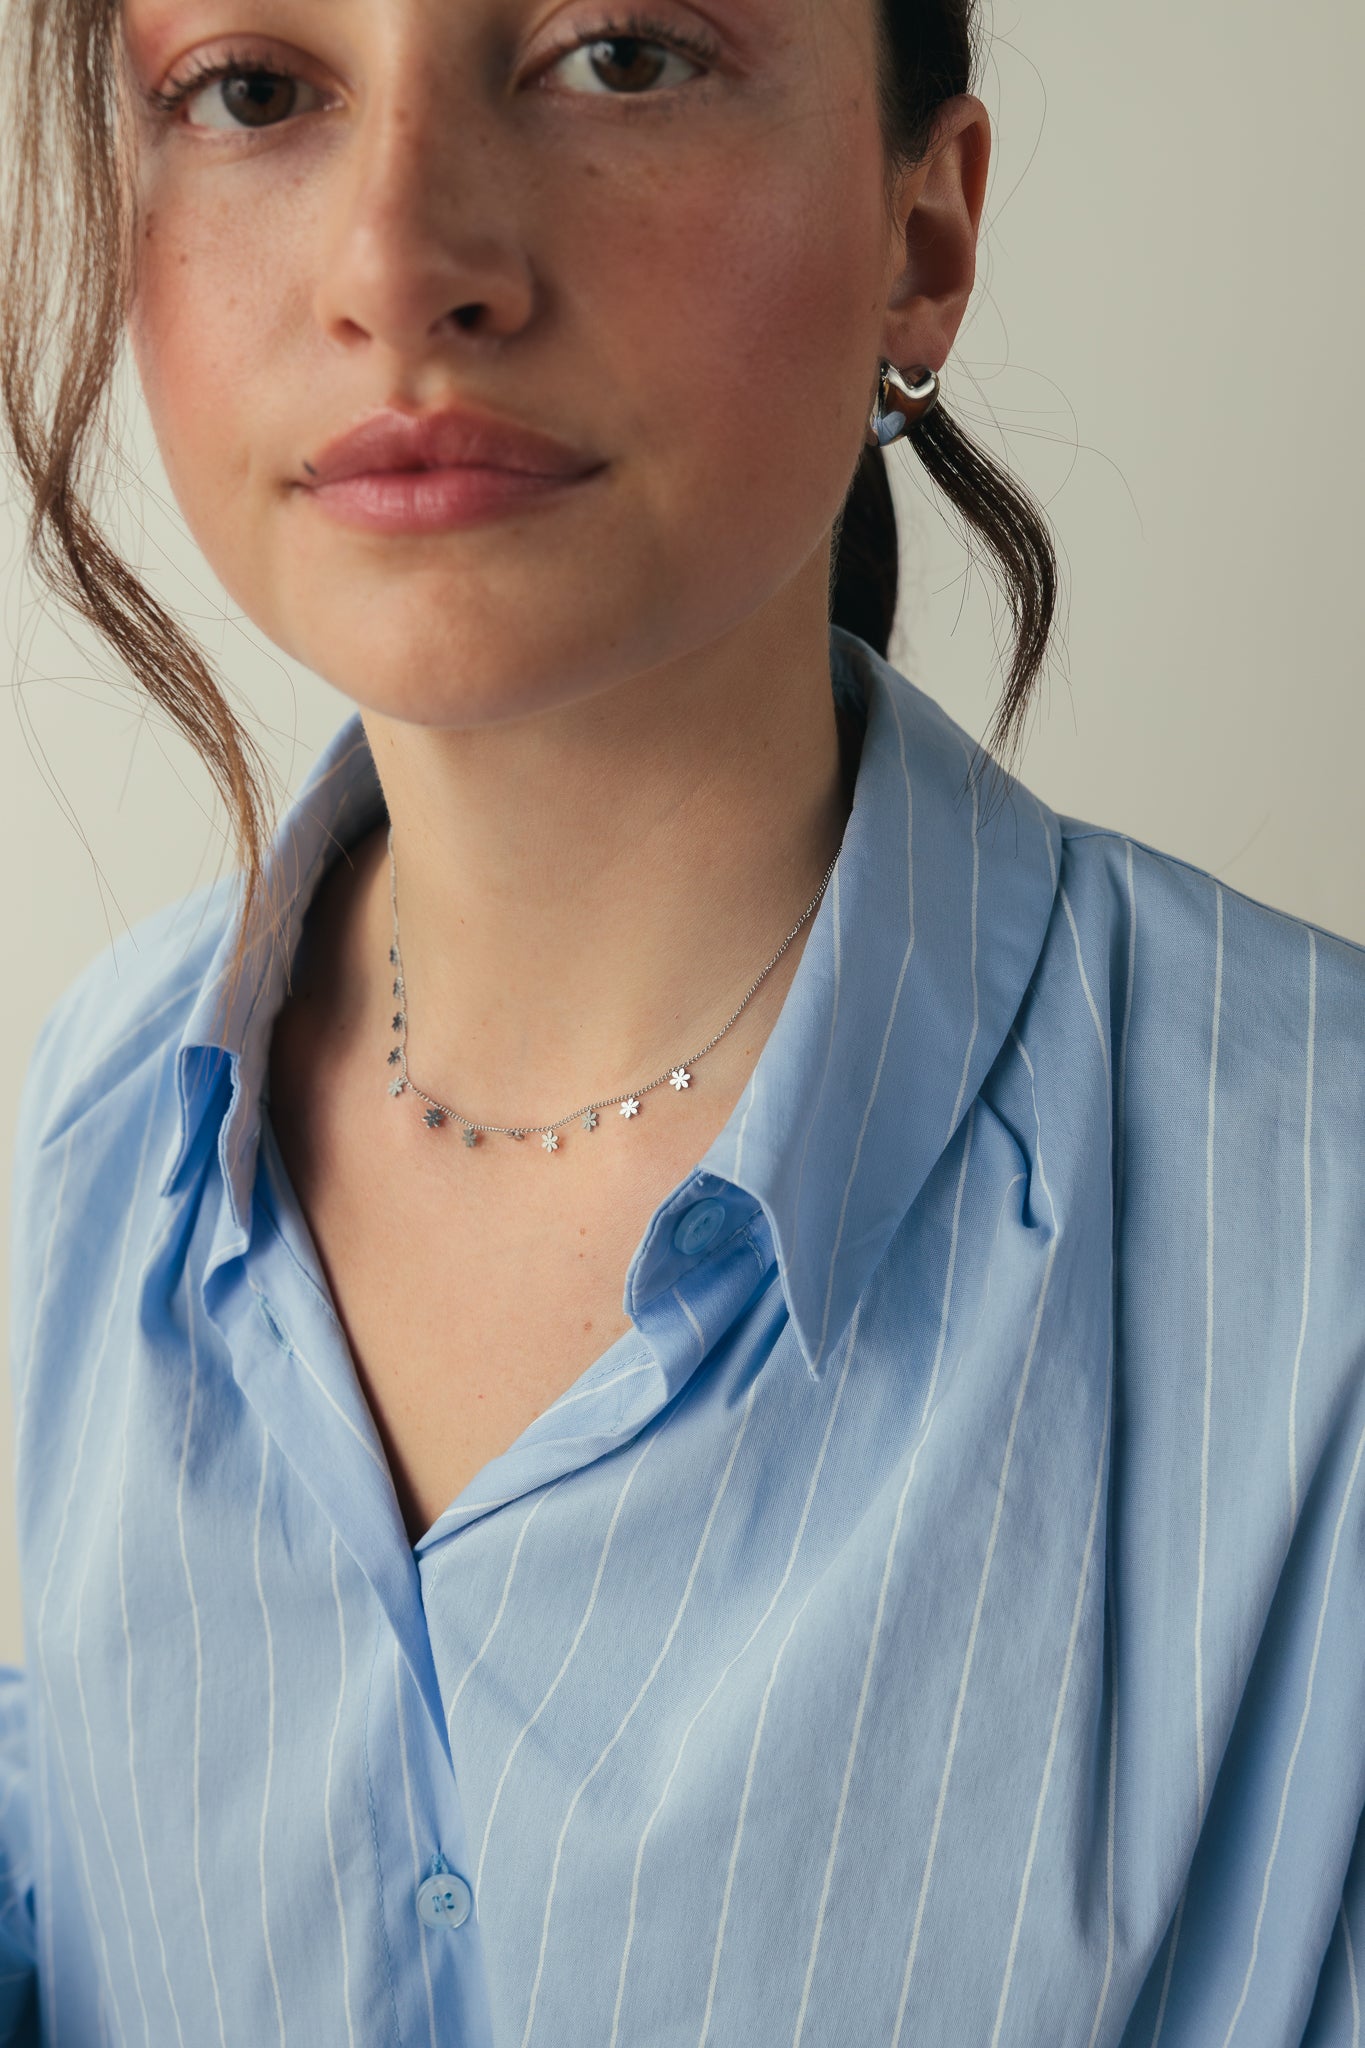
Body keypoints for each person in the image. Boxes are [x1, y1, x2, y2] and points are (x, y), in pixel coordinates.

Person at [1, 0, 1362, 2041]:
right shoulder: (106, 1117)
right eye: (254, 91)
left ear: (921, 236)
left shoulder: (1318, 1249)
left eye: (619, 56)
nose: (398, 266)